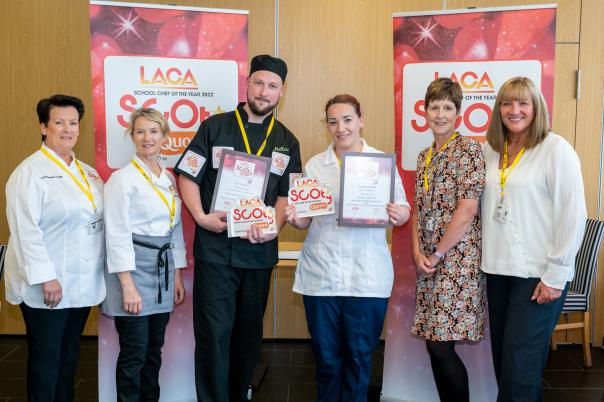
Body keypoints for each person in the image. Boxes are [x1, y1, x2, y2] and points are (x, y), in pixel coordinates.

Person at [174, 54, 302, 402]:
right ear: (247, 83)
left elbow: (286, 196)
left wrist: (274, 228)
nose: (264, 91)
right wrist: (200, 216)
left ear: (281, 92)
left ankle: (238, 394)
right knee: (214, 334)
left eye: (272, 86)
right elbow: (186, 174)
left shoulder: (287, 141)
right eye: (259, 82)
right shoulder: (214, 126)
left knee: (248, 336)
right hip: (216, 250)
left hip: (259, 254)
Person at [285, 94, 410, 401]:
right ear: (326, 125)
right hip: (322, 277)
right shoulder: (316, 165)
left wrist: (401, 213)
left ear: (361, 120)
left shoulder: (381, 164)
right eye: (333, 121)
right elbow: (304, 222)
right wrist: (295, 217)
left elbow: (403, 208)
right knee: (327, 360)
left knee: (358, 358)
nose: (340, 128)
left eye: (347, 119)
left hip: (366, 279)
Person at [482, 76, 586, 401]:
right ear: (498, 108)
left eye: (522, 102)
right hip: (497, 270)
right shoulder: (489, 150)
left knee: (518, 367)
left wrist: (555, 276)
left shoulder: (555, 150)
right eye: (507, 103)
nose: (514, 110)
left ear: (536, 107)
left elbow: (573, 215)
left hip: (538, 275)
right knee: (509, 365)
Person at [4, 94, 105, 401]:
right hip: (48, 285)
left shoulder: (88, 172)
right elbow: (25, 232)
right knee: (46, 361)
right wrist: (46, 276)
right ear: (44, 127)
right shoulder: (29, 173)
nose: (67, 129)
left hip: (80, 282)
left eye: (73, 123)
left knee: (69, 356)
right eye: (59, 122)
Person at [101, 107, 187, 402]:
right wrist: (128, 286)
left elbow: (174, 230)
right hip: (133, 273)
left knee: (153, 352)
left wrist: (177, 274)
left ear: (165, 136)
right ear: (132, 136)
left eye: (153, 131)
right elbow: (116, 234)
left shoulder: (168, 178)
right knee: (134, 353)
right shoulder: (122, 179)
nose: (147, 138)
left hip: (162, 273)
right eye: (140, 131)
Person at [411, 78, 486, 402]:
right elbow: (416, 209)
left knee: (440, 346)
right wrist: (416, 252)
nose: (440, 114)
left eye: (447, 107)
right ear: (425, 110)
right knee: (433, 344)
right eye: (434, 107)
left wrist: (438, 254)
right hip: (428, 261)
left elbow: (467, 210)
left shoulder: (469, 149)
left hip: (456, 263)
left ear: (458, 113)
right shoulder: (424, 156)